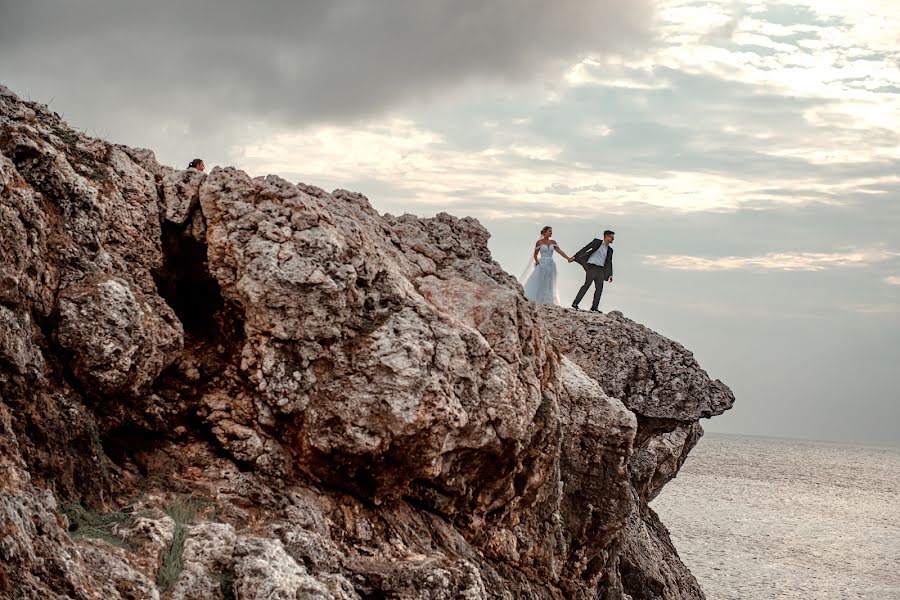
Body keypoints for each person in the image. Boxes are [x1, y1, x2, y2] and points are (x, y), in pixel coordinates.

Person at [522, 226, 574, 305]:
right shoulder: (539, 242)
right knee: (542, 281)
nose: (551, 233)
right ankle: (539, 299)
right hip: (542, 263)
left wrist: (568, 258)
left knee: (550, 281)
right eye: (549, 231)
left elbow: (559, 251)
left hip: (551, 263)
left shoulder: (553, 242)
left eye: (551, 231)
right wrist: (537, 262)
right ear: (545, 232)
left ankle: (548, 300)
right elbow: (535, 254)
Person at [571, 230, 615, 312]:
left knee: (599, 289)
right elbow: (585, 248)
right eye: (611, 237)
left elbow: (609, 262)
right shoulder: (597, 242)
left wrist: (610, 274)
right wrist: (574, 256)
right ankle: (575, 303)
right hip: (591, 267)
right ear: (606, 236)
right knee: (587, 285)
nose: (613, 239)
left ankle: (594, 307)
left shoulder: (610, 250)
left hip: (601, 270)